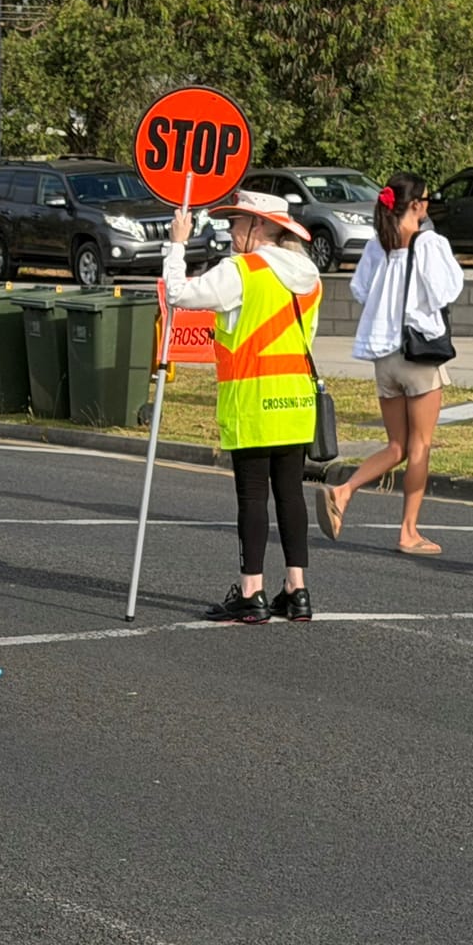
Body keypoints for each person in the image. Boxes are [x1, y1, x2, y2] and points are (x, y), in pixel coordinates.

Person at [163, 189, 323, 623]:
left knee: (252, 495)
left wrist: (177, 243)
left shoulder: (240, 271)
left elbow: (178, 294)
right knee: (290, 494)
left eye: (238, 221)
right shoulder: (309, 274)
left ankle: (252, 590)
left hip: (252, 402)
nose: (231, 229)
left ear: (259, 227)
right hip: (295, 400)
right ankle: (298, 590)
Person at [315, 172, 466, 555]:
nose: (430, 205)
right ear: (415, 205)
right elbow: (446, 290)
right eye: (427, 200)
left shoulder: (377, 244)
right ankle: (409, 531)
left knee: (396, 445)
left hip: (383, 355)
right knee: (420, 447)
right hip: (418, 354)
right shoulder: (430, 242)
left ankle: (344, 490)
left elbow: (360, 290)